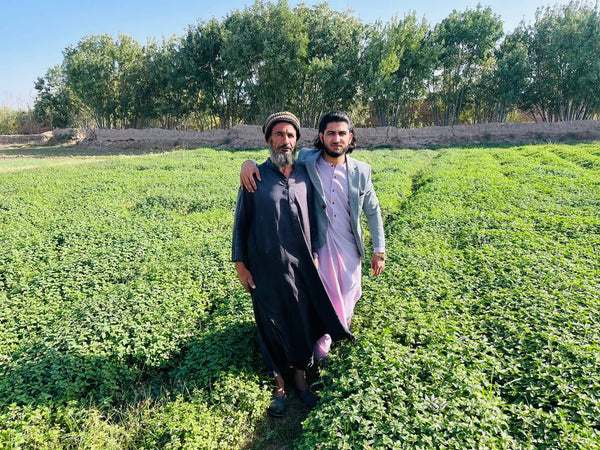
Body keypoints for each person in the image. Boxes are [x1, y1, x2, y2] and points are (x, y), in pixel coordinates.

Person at [232, 111, 353, 417]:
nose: (284, 141)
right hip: (264, 267)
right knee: (269, 322)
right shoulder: (254, 177)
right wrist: (241, 265)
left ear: (297, 141)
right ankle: (278, 385)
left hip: (301, 266)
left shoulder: (305, 173)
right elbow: (241, 223)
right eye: (278, 135)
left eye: (290, 136)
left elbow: (333, 158)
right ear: (268, 140)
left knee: (300, 319)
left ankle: (300, 379)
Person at [240, 110, 386, 359]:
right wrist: (248, 163)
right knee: (323, 292)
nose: (336, 139)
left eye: (342, 134)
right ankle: (325, 338)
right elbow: (278, 157)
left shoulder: (362, 171)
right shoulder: (309, 160)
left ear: (351, 137)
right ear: (321, 136)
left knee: (351, 290)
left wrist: (379, 250)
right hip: (320, 243)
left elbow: (373, 210)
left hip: (350, 245)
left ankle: (341, 328)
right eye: (331, 133)